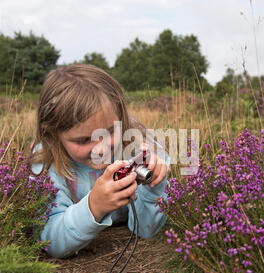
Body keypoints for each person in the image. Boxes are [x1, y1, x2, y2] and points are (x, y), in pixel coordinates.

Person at [28, 64, 169, 259]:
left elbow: (148, 230)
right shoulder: (45, 164)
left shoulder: (138, 145)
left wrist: (153, 189)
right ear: (53, 135)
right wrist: (94, 206)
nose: (101, 149)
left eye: (110, 131)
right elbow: (50, 240)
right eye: (84, 140)